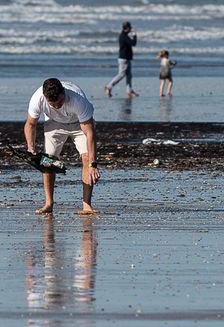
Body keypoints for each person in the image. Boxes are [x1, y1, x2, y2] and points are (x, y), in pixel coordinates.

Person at [24, 77, 101, 215]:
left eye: (60, 102)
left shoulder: (77, 100)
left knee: (86, 159)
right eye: (52, 104)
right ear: (45, 98)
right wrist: (31, 148)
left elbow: (90, 133)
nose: (57, 106)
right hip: (54, 124)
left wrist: (93, 164)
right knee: (48, 160)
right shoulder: (38, 98)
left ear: (63, 93)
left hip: (79, 124)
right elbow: (30, 124)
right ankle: (49, 203)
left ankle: (87, 205)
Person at [104, 21, 138, 97]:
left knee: (129, 75)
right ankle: (108, 87)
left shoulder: (124, 35)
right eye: (130, 28)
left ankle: (129, 91)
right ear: (127, 28)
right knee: (121, 74)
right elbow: (133, 43)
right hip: (124, 59)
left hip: (126, 58)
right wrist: (135, 36)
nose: (131, 29)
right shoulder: (124, 37)